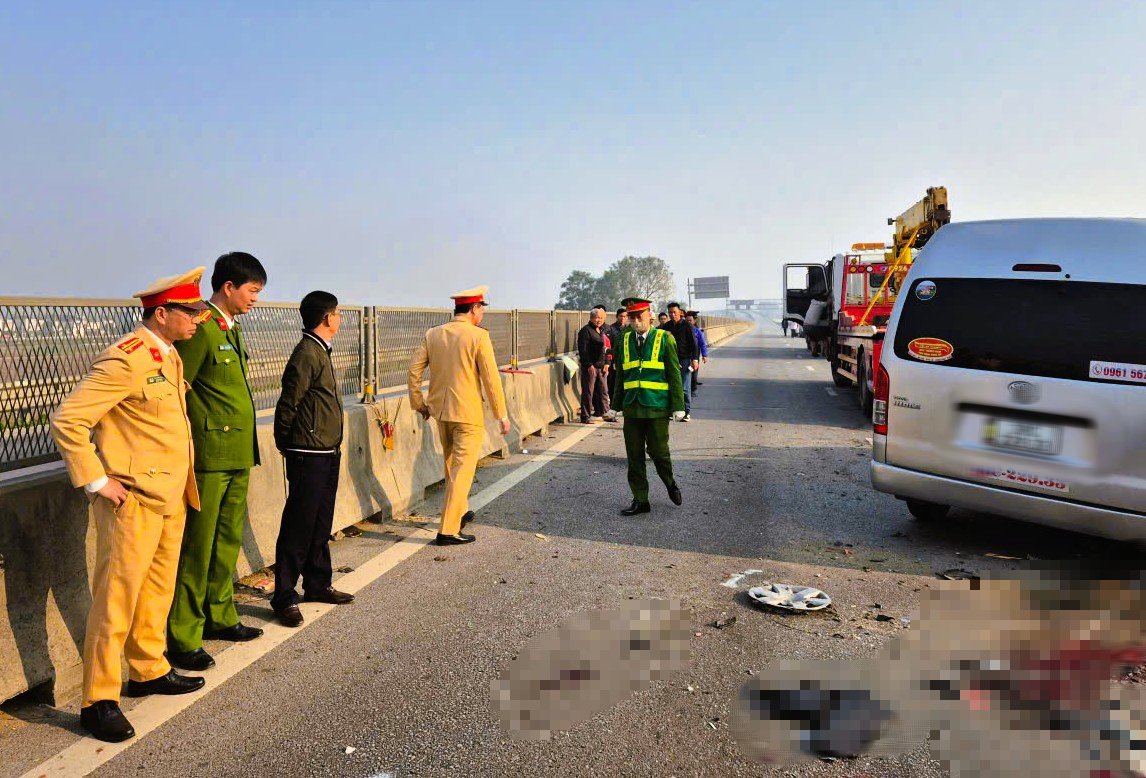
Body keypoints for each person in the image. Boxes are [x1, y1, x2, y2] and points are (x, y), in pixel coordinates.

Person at [50, 268, 212, 743]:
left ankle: (148, 669)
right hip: (134, 499)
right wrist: (98, 480)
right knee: (115, 601)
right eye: (192, 311)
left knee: (157, 591)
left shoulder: (169, 355)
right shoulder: (127, 359)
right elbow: (68, 420)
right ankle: (98, 699)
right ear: (162, 314)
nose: (199, 319)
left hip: (171, 495)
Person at [166, 252, 267, 671]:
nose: (256, 300)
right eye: (252, 291)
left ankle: (220, 615)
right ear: (229, 287)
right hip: (209, 457)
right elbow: (178, 389)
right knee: (198, 546)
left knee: (226, 542)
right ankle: (184, 635)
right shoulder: (203, 328)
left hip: (237, 453)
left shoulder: (229, 327)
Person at [271, 291, 353, 629]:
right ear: (328, 318)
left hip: (326, 449)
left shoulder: (320, 350)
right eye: (337, 313)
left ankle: (317, 583)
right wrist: (286, 443)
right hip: (308, 452)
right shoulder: (307, 353)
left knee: (320, 521)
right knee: (298, 525)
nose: (340, 318)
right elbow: (289, 402)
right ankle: (284, 595)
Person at [407, 285, 511, 545]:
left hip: (441, 413)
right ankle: (448, 529)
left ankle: (461, 510)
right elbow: (490, 379)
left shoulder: (433, 334)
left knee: (451, 466)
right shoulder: (478, 336)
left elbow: (413, 371)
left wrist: (419, 403)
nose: (482, 314)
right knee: (462, 472)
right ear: (475, 309)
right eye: (481, 309)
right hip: (468, 414)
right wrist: (502, 414)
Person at [606, 297, 686, 516]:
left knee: (659, 452)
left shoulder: (665, 338)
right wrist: (615, 405)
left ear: (649, 316)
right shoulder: (623, 339)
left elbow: (674, 374)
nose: (634, 321)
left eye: (638, 316)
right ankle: (641, 500)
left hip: (657, 406)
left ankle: (670, 483)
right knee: (634, 456)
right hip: (632, 407)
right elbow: (620, 376)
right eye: (631, 317)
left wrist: (678, 406)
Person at [658, 302, 699, 420]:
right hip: (670, 360)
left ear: (680, 312)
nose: (672, 315)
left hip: (684, 359)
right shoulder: (666, 327)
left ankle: (686, 412)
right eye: (670, 312)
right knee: (670, 386)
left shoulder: (687, 325)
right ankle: (673, 410)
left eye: (674, 312)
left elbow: (694, 344)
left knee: (684, 387)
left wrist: (695, 359)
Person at [576, 306, 611, 423]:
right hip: (590, 367)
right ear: (591, 318)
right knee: (588, 392)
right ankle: (585, 416)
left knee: (604, 391)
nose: (599, 320)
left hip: (601, 366)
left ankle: (606, 413)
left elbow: (604, 349)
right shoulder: (585, 331)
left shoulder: (600, 330)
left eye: (601, 318)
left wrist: (607, 363)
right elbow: (583, 350)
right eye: (596, 318)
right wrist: (589, 365)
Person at [603, 308, 627, 398]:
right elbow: (606, 346)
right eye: (621, 316)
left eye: (625, 316)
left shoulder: (629, 330)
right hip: (613, 361)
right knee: (613, 383)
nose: (623, 318)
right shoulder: (610, 330)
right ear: (617, 317)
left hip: (625, 361)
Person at [686, 310, 709, 394]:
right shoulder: (682, 330)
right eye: (687, 320)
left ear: (694, 321)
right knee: (685, 373)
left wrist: (704, 355)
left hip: (694, 356)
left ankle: (693, 389)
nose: (688, 322)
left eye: (690, 320)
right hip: (684, 355)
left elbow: (702, 344)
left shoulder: (697, 332)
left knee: (693, 372)